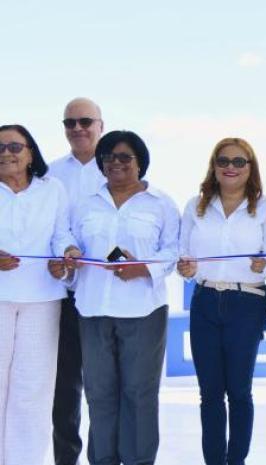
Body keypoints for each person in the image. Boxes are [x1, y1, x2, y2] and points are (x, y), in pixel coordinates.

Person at [68, 130, 180, 465]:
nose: (115, 163)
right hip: (93, 309)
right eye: (108, 157)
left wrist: (144, 268)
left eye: (124, 157)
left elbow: (174, 250)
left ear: (140, 163)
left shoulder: (162, 203)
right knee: (99, 395)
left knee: (139, 395)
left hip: (143, 311)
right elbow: (68, 238)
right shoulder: (86, 203)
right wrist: (69, 249)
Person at [177, 137, 266, 465]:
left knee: (239, 392)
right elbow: (182, 254)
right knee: (209, 395)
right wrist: (185, 265)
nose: (231, 167)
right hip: (204, 301)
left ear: (251, 168)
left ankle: (236, 460)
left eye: (239, 161)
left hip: (246, 303)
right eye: (224, 161)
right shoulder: (195, 206)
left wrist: (265, 264)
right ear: (214, 166)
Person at [0, 124, 77, 465]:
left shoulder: (53, 189)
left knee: (33, 391)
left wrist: (67, 255)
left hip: (43, 299)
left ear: (31, 152)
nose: (6, 153)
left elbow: (61, 235)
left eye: (15, 147)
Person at [46, 97, 106, 465]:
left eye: (85, 121)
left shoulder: (120, 169)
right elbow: (52, 229)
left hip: (105, 295)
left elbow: (126, 231)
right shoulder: (50, 175)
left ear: (101, 124)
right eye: (70, 123)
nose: (78, 128)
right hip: (63, 294)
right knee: (64, 390)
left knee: (103, 389)